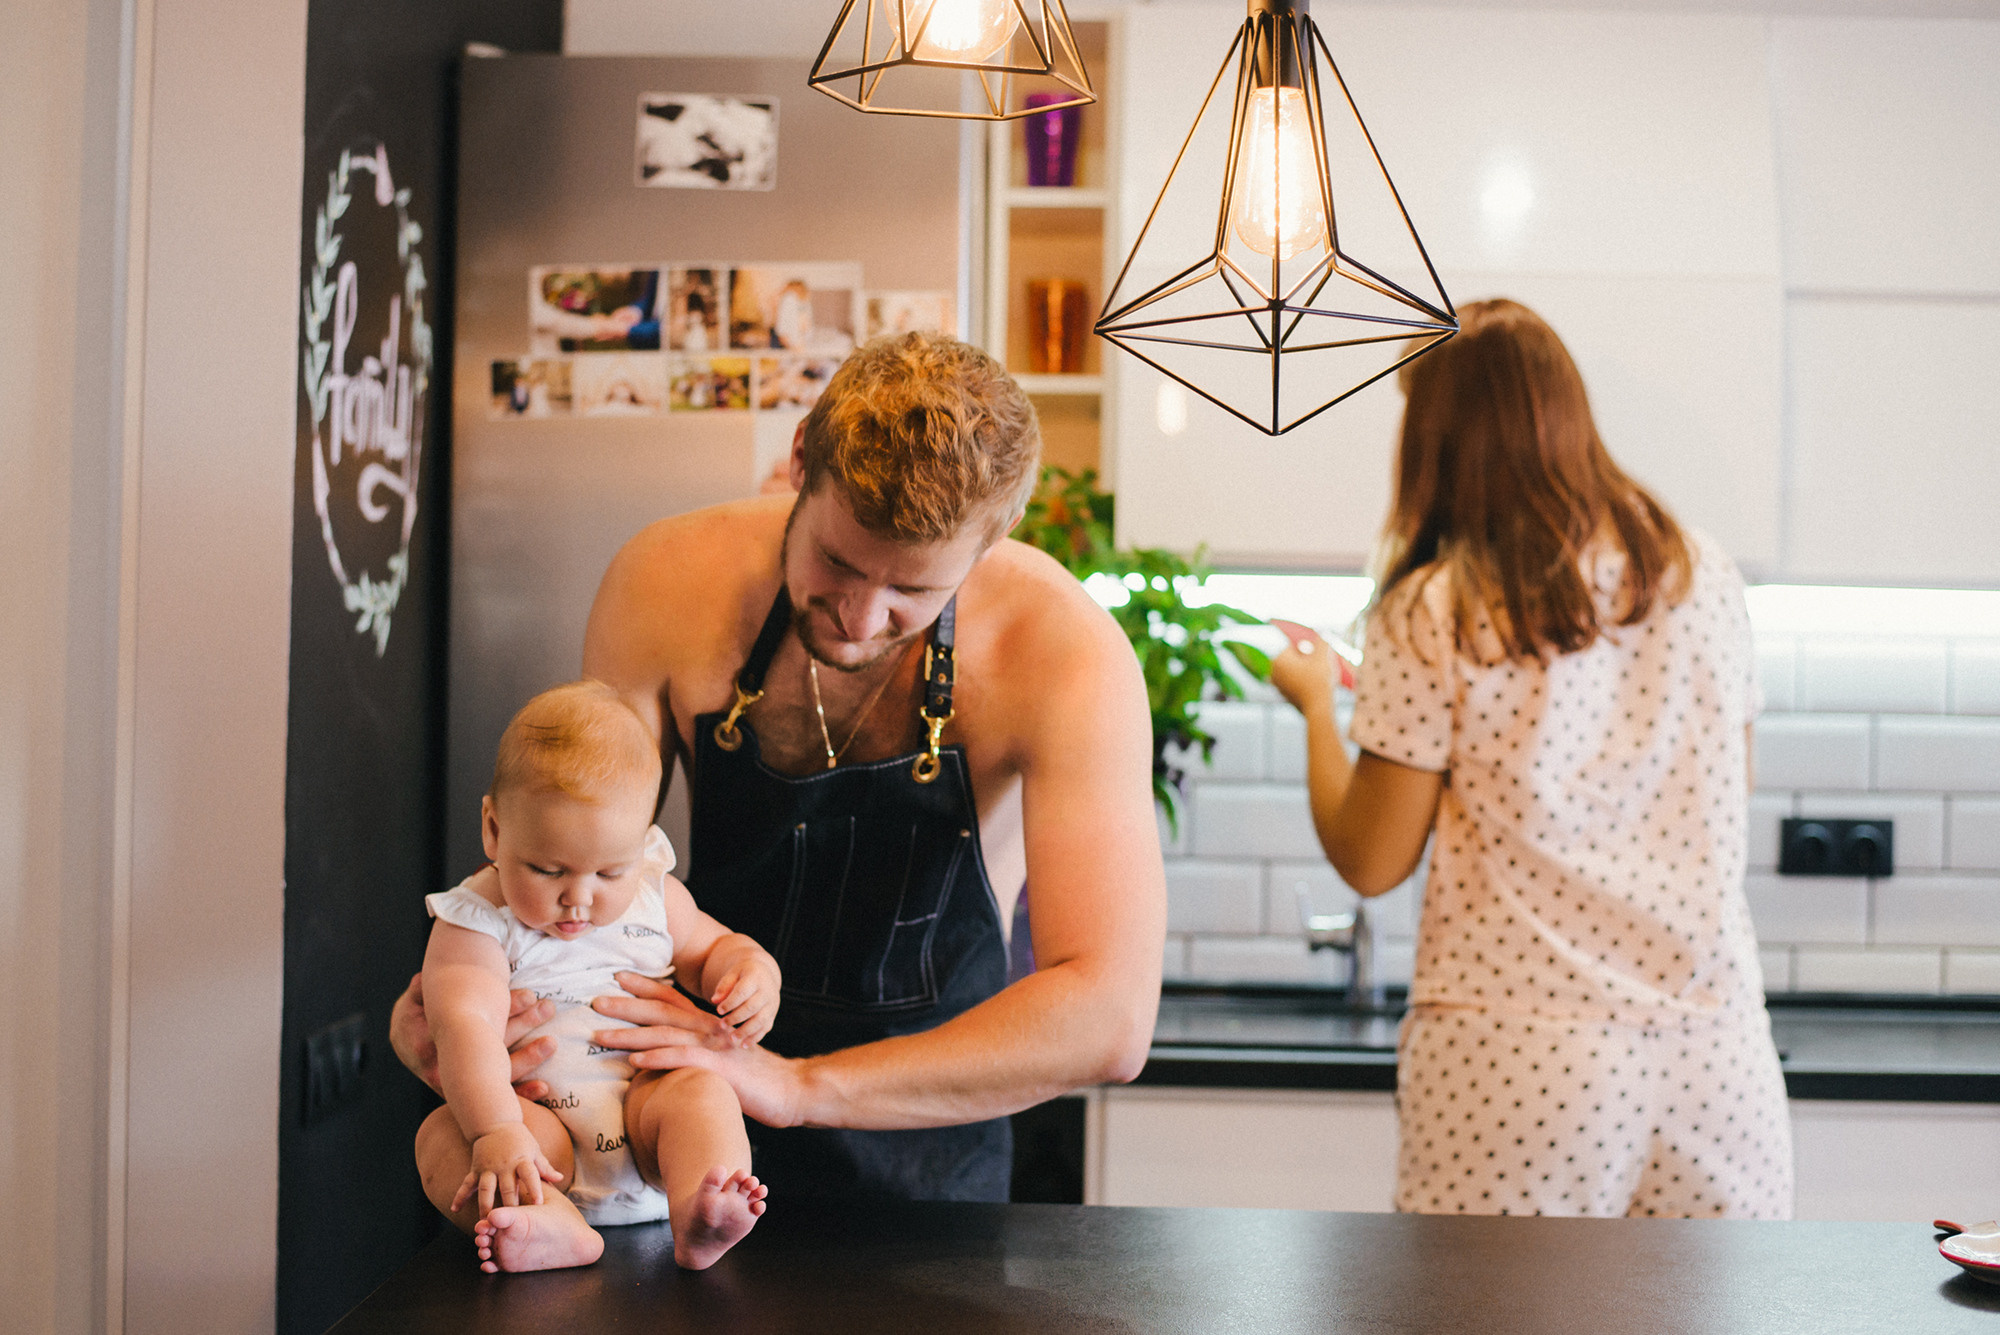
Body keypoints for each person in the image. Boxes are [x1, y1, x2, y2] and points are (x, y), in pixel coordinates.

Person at [395, 332, 1164, 1202]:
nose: (861, 617)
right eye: (836, 562)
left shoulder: (1063, 651)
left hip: (927, 1150)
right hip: (667, 1118)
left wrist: (797, 1086)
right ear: (802, 459)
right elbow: (579, 842)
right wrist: (460, 992)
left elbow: (1110, 1015)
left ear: (993, 540)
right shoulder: (665, 583)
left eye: (914, 591)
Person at [1269, 299, 1792, 1219]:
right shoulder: (1700, 572)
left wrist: (1317, 705)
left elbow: (1372, 857)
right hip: (1714, 1057)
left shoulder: (1434, 609)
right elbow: (1730, 781)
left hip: (1520, 1062)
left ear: (1434, 443)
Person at [413, 680, 780, 1272]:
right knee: (440, 1139)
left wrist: (751, 970)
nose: (578, 898)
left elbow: (715, 947)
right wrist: (496, 1131)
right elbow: (463, 1025)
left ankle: (699, 1210)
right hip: (536, 1132)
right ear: (494, 830)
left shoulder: (655, 896)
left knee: (701, 1093)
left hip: (646, 1114)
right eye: (548, 869)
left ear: (641, 847)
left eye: (611, 872)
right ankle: (547, 1223)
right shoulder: (477, 921)